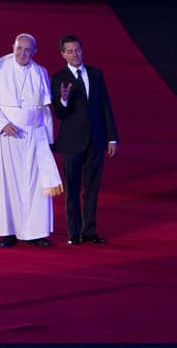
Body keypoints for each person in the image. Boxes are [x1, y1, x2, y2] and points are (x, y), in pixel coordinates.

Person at [0, 33, 63, 247]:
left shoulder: (40, 72)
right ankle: (9, 232)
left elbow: (44, 110)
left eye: (28, 50)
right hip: (5, 137)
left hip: (34, 137)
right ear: (13, 47)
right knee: (6, 184)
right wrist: (1, 123)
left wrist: (49, 140)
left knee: (35, 185)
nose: (23, 53)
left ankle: (35, 232)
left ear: (34, 52)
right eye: (19, 48)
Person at [50, 35, 118, 245]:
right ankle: (74, 232)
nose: (75, 54)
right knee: (72, 188)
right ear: (62, 54)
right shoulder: (58, 78)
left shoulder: (96, 75)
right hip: (71, 142)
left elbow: (105, 106)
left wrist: (112, 137)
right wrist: (63, 98)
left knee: (92, 188)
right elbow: (59, 114)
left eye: (77, 50)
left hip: (96, 140)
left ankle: (89, 231)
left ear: (83, 50)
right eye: (69, 51)